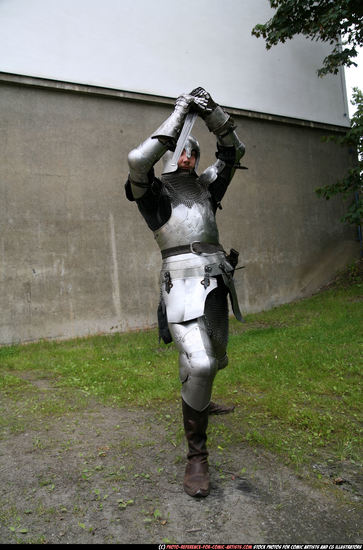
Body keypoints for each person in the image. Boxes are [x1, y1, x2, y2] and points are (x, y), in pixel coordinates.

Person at [125, 87, 245, 497]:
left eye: (193, 151)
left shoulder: (207, 189)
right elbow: (137, 160)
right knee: (202, 364)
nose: (190, 156)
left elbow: (233, 152)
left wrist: (213, 113)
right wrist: (179, 111)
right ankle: (197, 457)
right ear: (171, 154)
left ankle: (198, 403)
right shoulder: (153, 194)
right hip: (181, 287)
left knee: (214, 360)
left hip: (216, 285)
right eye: (183, 150)